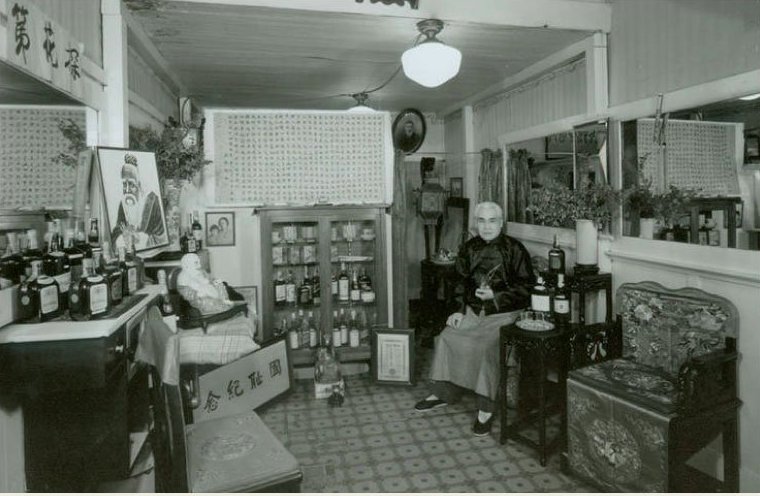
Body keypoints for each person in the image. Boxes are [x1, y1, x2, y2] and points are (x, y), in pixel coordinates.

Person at [414, 201, 535, 436]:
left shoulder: (515, 249)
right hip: (472, 310)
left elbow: (527, 287)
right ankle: (442, 393)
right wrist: (458, 310)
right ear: (476, 223)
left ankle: (486, 409)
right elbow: (458, 282)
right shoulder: (469, 248)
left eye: (492, 221)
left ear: (501, 223)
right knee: (446, 337)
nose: (487, 226)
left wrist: (496, 295)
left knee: (487, 347)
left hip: (504, 314)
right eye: (481, 221)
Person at [111, 153, 167, 250]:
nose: (127, 189)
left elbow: (161, 238)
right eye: (124, 184)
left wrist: (139, 238)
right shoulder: (123, 203)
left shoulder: (153, 201)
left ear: (139, 184)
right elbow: (117, 230)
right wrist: (123, 236)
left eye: (131, 184)